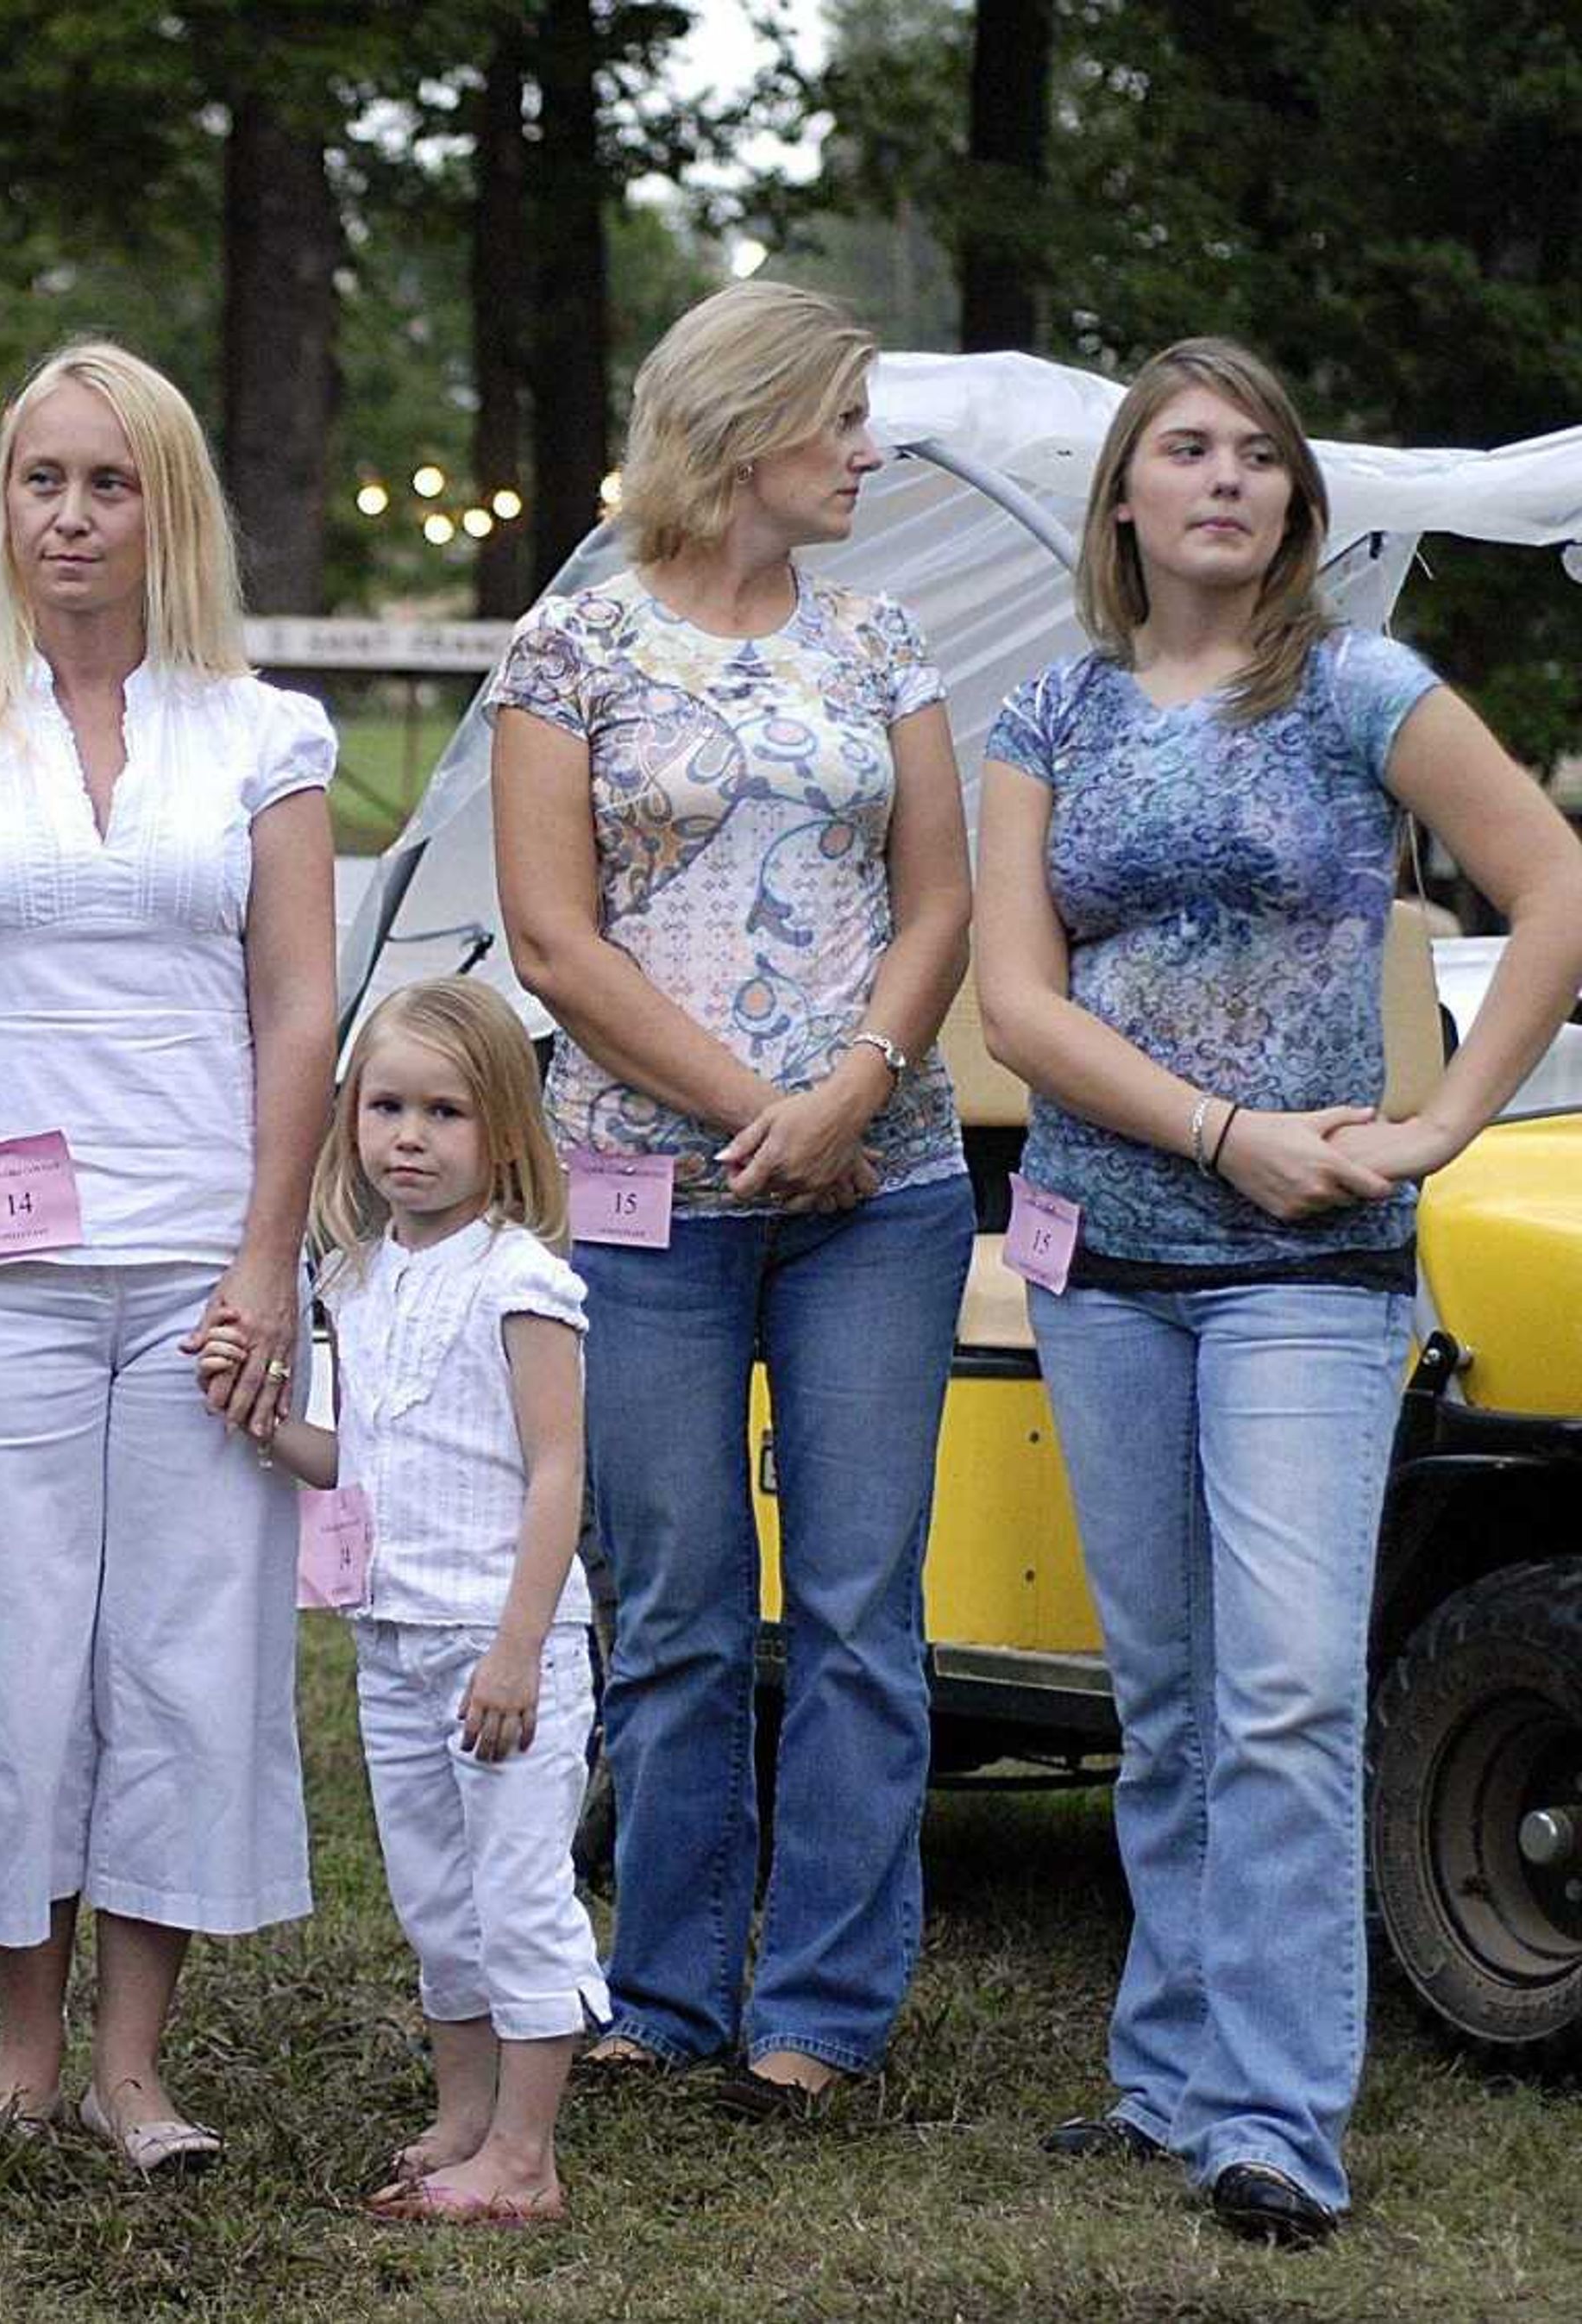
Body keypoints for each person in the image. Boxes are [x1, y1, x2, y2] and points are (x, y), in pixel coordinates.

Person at [974, 338, 1582, 2244]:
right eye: (1185, 449)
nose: (1223, 478)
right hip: (1104, 1260)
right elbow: (1017, 1006)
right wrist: (1222, 1126)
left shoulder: (1359, 689)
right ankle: (1162, 2082)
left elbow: (1552, 879)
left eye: (1257, 453)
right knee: (1164, 1695)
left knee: (1292, 1691)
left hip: (1308, 1277)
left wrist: (1440, 1126)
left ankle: (1274, 2123)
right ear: (1129, 500)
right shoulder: (1045, 716)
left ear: (1293, 503)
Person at [0, 338, 336, 2168]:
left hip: (204, 1261)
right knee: (17, 1652)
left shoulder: (263, 733)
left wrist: (268, 1260)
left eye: (109, 482)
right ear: (0, 509)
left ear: (165, 507)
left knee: (190, 1659)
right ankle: (22, 2047)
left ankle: (139, 2060)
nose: (70, 514)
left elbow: (298, 1011)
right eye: (42, 479)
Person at [489, 279, 971, 2112]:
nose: (868, 450)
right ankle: (670, 1987)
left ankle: (823, 2014)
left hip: (885, 1184)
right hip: (644, 1196)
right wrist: (754, 1106)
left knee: (860, 1601)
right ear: (744, 425)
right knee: (679, 1596)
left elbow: (939, 899)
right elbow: (551, 933)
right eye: (842, 418)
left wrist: (848, 1091)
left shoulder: (883, 641)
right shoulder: (573, 648)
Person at [198, 977, 600, 2227]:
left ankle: (526, 2162)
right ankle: (467, 2115)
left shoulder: (522, 1280)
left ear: (505, 1133)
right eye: (386, 1107)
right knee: (436, 1896)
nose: (409, 1138)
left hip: (502, 1646)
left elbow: (557, 1475)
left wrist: (519, 1652)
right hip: (395, 1643)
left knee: (520, 1891)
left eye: (446, 1112)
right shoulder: (354, 1281)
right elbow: (356, 1463)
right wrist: (268, 1429)